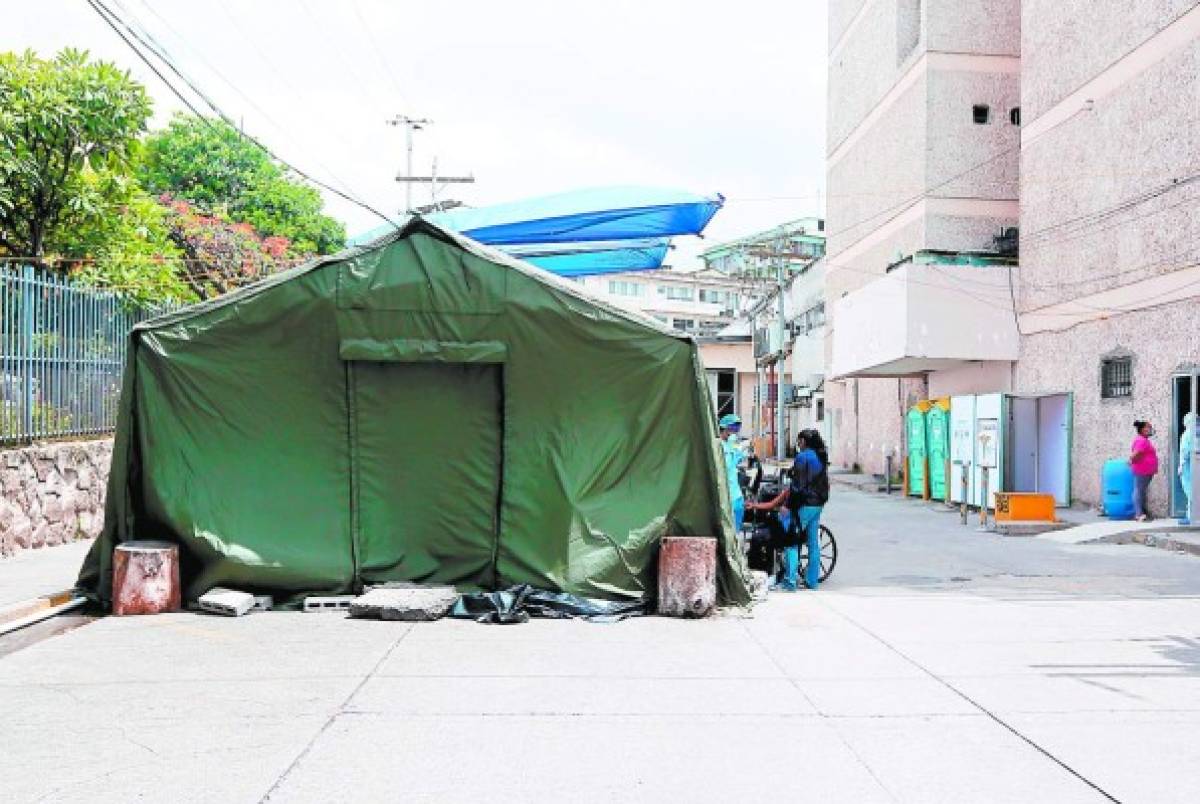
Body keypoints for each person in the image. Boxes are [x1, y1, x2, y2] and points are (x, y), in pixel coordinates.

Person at [746, 429, 830, 591]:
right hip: (817, 504)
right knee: (813, 543)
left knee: (791, 541)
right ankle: (812, 581)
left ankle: (789, 581)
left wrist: (787, 505)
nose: (798, 444)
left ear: (804, 442)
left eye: (799, 441)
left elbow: (797, 486)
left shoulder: (803, 457)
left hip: (804, 504)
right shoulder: (820, 457)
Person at [718, 414, 746, 534]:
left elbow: (736, 461)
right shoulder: (719, 446)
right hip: (727, 494)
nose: (734, 432)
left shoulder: (730, 445)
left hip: (736, 494)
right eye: (732, 429)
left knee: (736, 528)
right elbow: (727, 466)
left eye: (736, 429)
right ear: (724, 428)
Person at [1130, 420, 1159, 522]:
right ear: (1142, 429)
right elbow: (1135, 455)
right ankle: (1138, 514)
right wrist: (1131, 461)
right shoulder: (1141, 440)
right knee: (1138, 490)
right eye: (1149, 427)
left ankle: (1141, 512)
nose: (1151, 429)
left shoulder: (1144, 440)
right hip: (1142, 470)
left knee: (1141, 491)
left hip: (1146, 471)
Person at [1179, 412, 1196, 525]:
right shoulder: (1196, 434)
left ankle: (1191, 516)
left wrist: (1181, 465)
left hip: (1188, 466)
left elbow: (1185, 452)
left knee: (1190, 491)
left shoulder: (1187, 434)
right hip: (1193, 465)